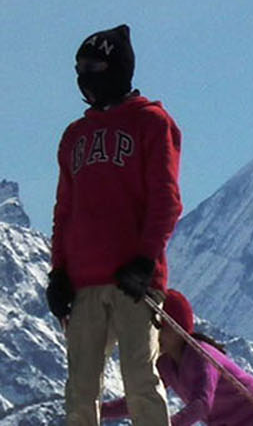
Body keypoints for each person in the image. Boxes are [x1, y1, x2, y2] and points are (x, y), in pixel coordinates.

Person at [47, 24, 184, 426]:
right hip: (83, 282)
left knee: (141, 380)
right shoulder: (75, 135)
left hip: (133, 280)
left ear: (117, 68)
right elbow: (64, 210)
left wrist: (145, 259)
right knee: (80, 390)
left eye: (93, 66)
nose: (84, 76)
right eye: (79, 68)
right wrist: (58, 272)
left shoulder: (152, 122)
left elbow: (166, 199)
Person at [98, 289, 253, 426]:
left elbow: (202, 403)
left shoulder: (201, 356)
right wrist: (100, 410)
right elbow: (143, 398)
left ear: (178, 328)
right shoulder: (166, 364)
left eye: (160, 327)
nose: (154, 335)